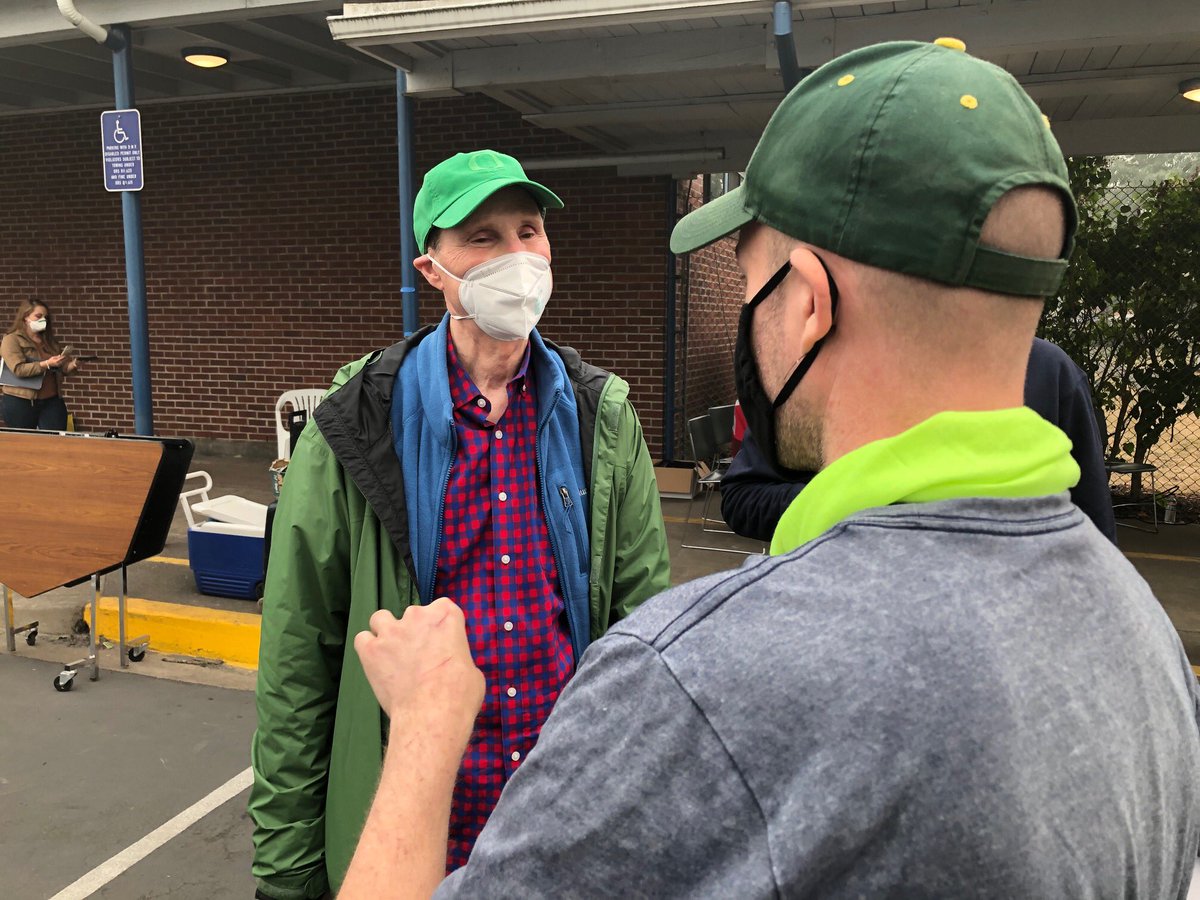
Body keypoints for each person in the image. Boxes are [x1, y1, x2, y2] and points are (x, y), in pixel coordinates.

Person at [340, 41, 1200, 898]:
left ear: (810, 301)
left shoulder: (695, 679)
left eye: (750, 283)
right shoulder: (1145, 640)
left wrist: (423, 725)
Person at [249, 149, 671, 899]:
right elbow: (298, 664)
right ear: (431, 269)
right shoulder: (356, 427)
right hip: (417, 834)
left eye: (529, 230)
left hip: (564, 830)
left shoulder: (601, 420)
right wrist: (287, 875)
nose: (517, 255)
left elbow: (643, 637)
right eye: (482, 237)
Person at [722, 337, 1118, 544]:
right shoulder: (816, 370)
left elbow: (1096, 542)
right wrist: (862, 500)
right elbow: (742, 498)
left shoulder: (1048, 372)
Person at [1, 299, 83, 431]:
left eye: (45, 317)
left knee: (56, 440)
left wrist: (70, 366)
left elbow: (59, 368)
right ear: (25, 317)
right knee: (24, 443)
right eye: (38, 316)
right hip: (21, 400)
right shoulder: (11, 339)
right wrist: (46, 364)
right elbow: (18, 369)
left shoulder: (48, 340)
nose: (43, 320)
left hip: (51, 400)